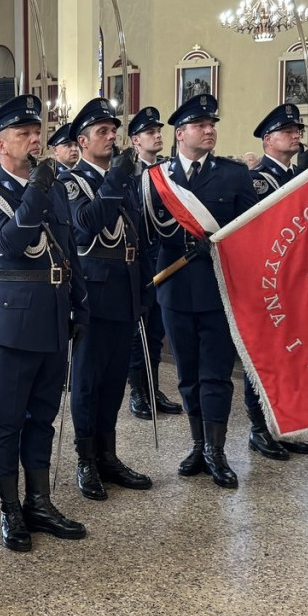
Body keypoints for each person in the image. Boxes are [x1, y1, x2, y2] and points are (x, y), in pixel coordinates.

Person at [0, 94, 88, 551]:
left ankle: (40, 501)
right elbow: (9, 244)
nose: (35, 139)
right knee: (7, 420)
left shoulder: (53, 188)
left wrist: (80, 304)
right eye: (23, 134)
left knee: (44, 418)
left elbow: (68, 248)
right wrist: (35, 190)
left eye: (36, 132)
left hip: (54, 317)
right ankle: (10, 508)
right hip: (12, 326)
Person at [146, 94, 257, 488]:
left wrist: (221, 244)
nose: (209, 130)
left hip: (218, 290)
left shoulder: (233, 175)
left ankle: (217, 450)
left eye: (213, 125)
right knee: (187, 374)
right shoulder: (157, 177)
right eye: (201, 125)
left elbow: (251, 231)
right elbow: (145, 233)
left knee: (216, 374)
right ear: (181, 134)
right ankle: (197, 445)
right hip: (173, 288)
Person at [59, 98, 153, 501]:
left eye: (113, 131)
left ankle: (108, 455)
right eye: (102, 131)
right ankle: (85, 459)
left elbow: (138, 236)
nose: (111, 137)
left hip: (126, 291)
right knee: (87, 382)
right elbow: (84, 229)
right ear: (81, 141)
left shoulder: (125, 179)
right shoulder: (70, 181)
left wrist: (144, 288)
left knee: (114, 381)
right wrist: (113, 181)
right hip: (93, 294)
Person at [242, 104, 308, 461]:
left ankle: (285, 425)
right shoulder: (258, 179)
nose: (296, 135)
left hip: (296, 281)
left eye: (297, 130)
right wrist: (301, 181)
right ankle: (260, 428)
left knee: (293, 355)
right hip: (265, 283)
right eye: (287, 131)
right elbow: (269, 224)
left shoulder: (295, 174)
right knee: (265, 357)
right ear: (267, 139)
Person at [125, 106, 181, 420]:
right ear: (135, 140)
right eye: (150, 132)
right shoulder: (129, 174)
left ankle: (153, 387)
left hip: (165, 260)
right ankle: (138, 393)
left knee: (156, 330)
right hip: (140, 261)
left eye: (159, 131)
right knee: (140, 332)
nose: (157, 135)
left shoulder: (168, 171)